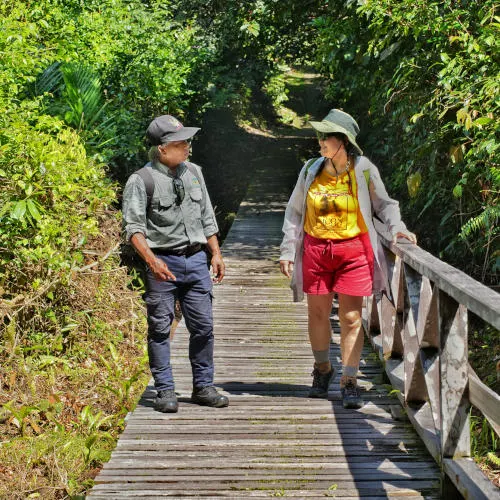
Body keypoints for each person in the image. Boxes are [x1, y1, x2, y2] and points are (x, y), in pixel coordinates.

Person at [279, 109, 416, 409]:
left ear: (342, 142)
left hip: (353, 251)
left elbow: (385, 205)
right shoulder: (310, 170)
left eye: (325, 136)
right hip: (316, 251)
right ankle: (323, 370)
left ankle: (350, 380)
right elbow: (294, 212)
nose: (320, 141)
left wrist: (398, 229)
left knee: (351, 317)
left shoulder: (364, 169)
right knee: (317, 314)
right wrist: (288, 250)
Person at [122, 114, 229, 413]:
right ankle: (165, 390)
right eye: (181, 143)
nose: (188, 148)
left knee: (204, 326)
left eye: (187, 142)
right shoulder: (140, 181)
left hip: (195, 260)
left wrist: (215, 253)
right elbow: (134, 229)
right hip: (162, 262)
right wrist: (152, 261)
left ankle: (203, 387)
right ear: (162, 149)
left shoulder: (194, 172)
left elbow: (207, 215)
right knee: (159, 328)